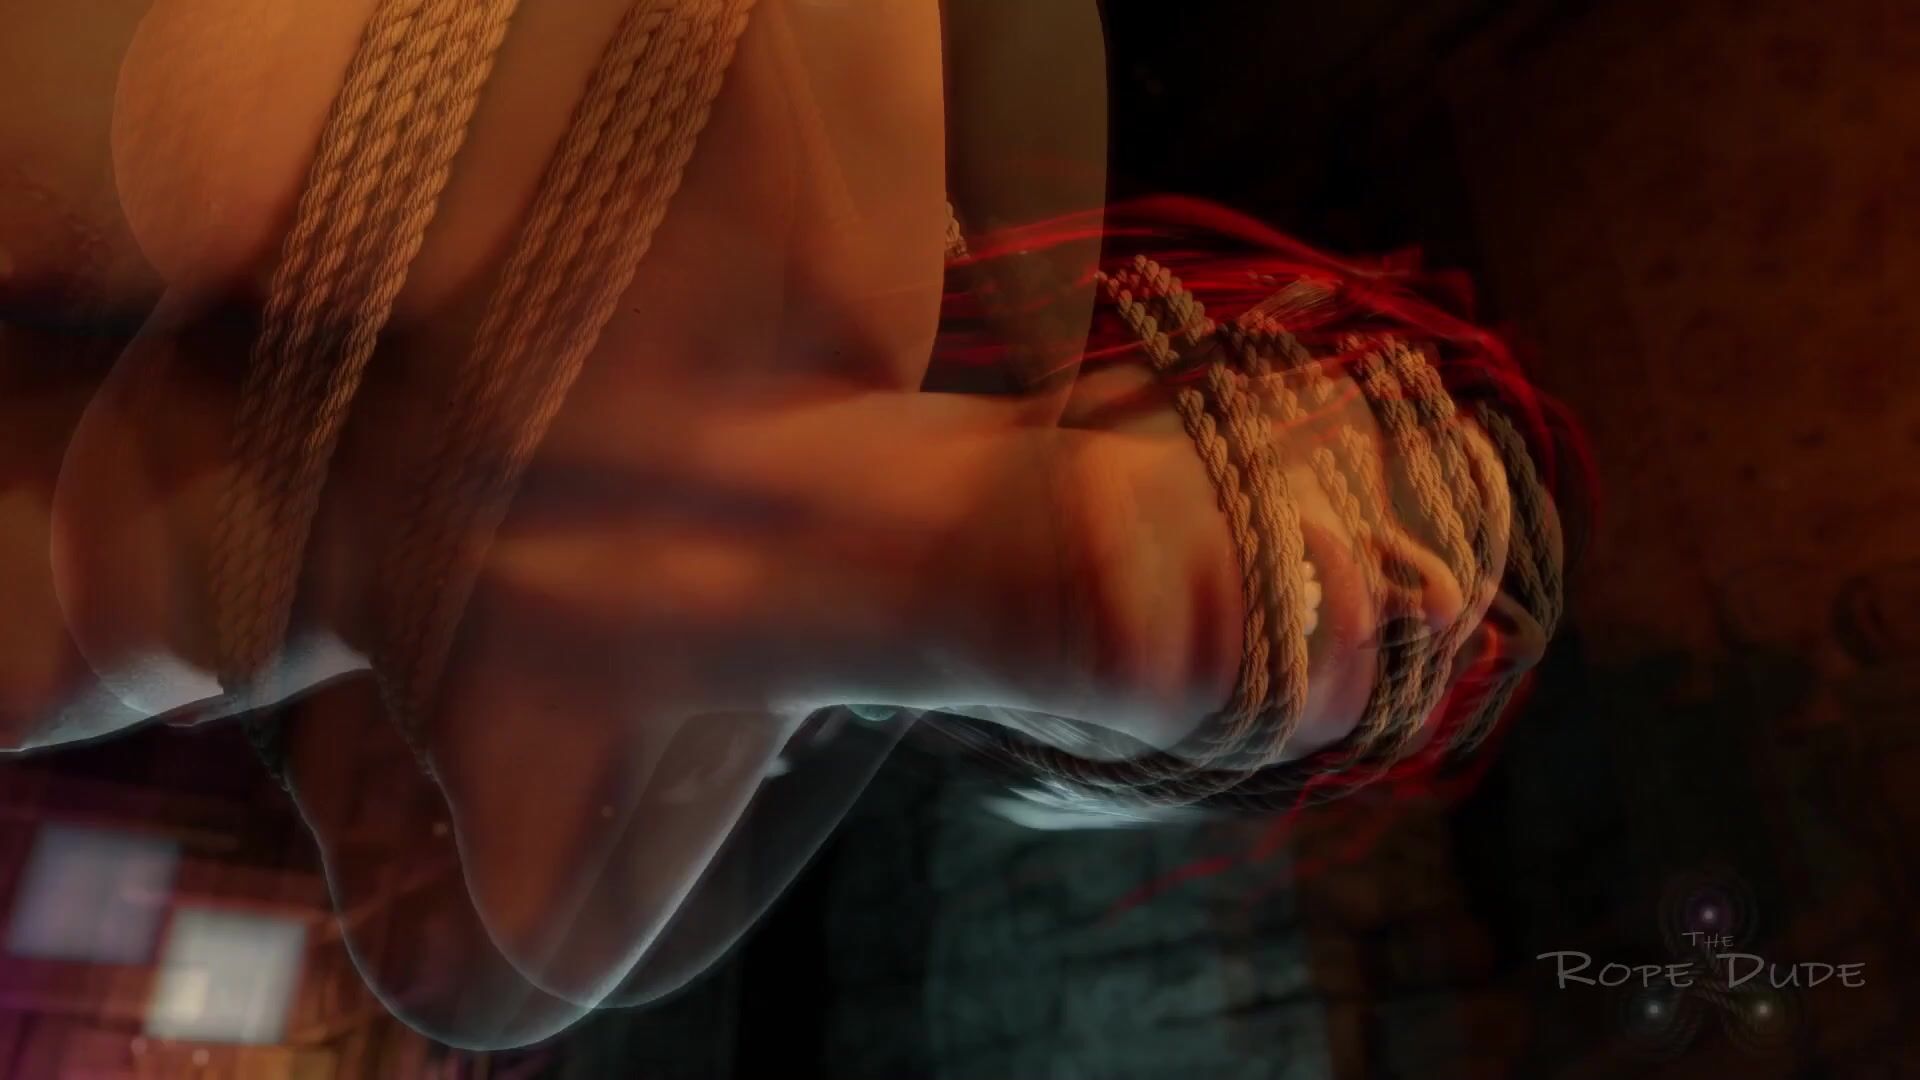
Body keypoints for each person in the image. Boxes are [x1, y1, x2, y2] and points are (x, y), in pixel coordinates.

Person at [0, 0, 1574, 1049]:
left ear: (1194, 768)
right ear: (1257, 340)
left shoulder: (570, 898)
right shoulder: (833, 84)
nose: (1426, 599)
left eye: (1406, 680)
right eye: (1410, 472)